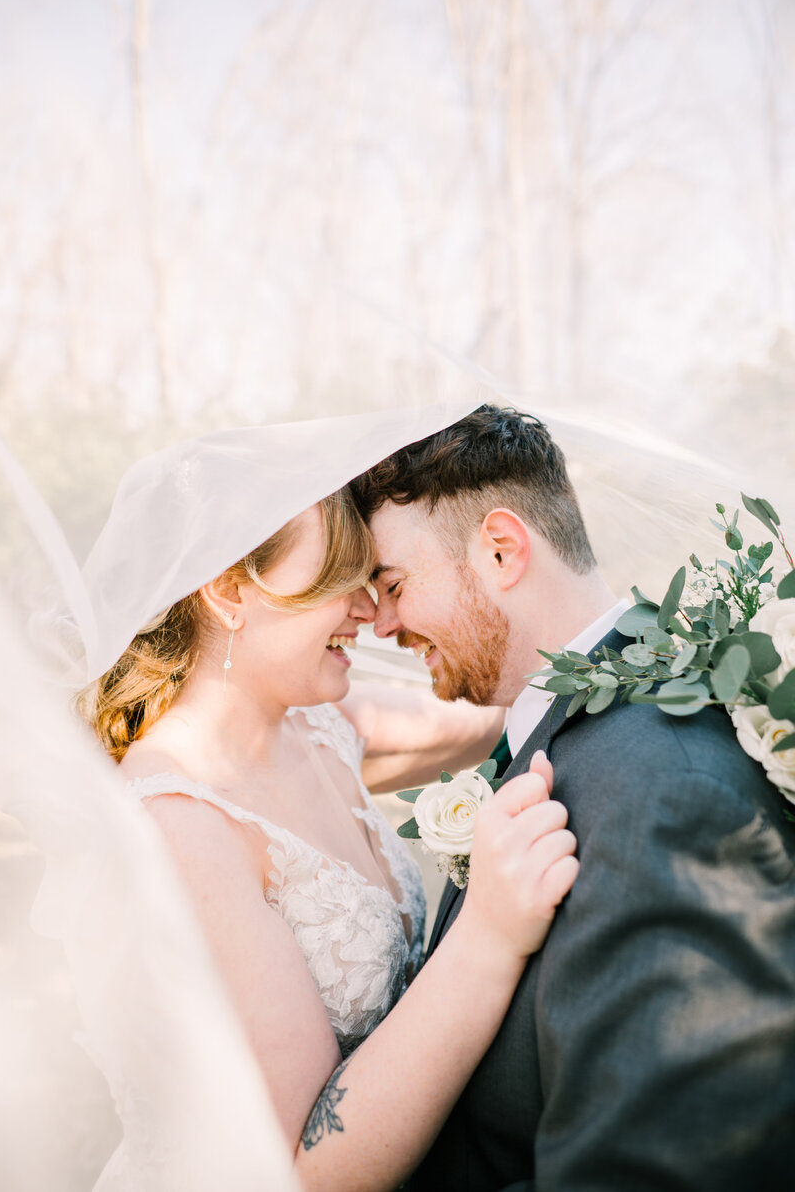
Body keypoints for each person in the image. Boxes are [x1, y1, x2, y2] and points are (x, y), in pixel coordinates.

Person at [70, 408, 580, 1192]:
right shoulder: (179, 826)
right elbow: (303, 1169)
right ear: (229, 591)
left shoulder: (326, 727)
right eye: (339, 577)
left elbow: (501, 695)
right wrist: (488, 936)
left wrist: (638, 658)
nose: (372, 614)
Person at [351, 403, 795, 1191]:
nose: (379, 624)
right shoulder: (560, 733)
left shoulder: (670, 787)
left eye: (393, 585)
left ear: (500, 548)